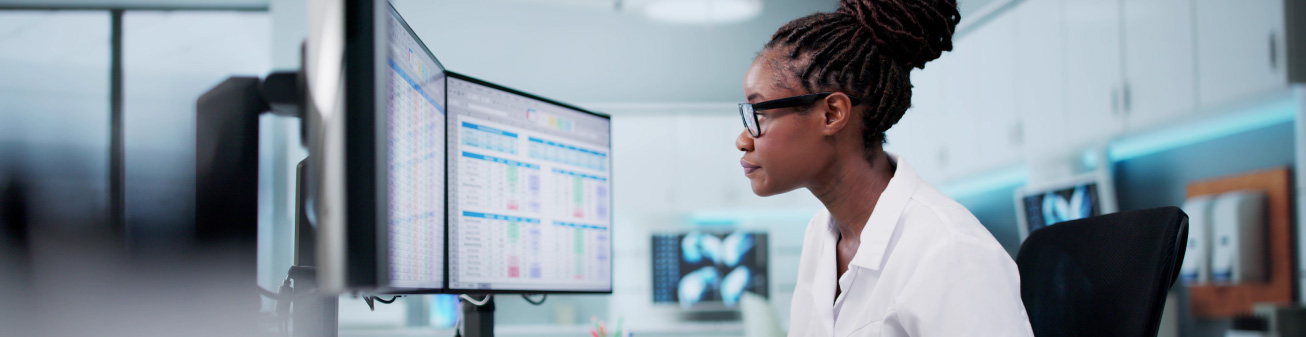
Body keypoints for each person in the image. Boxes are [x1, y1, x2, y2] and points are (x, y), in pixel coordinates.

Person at [734, 0, 1034, 336]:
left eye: (758, 113)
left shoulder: (951, 252)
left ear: (831, 114)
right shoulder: (820, 235)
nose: (742, 140)